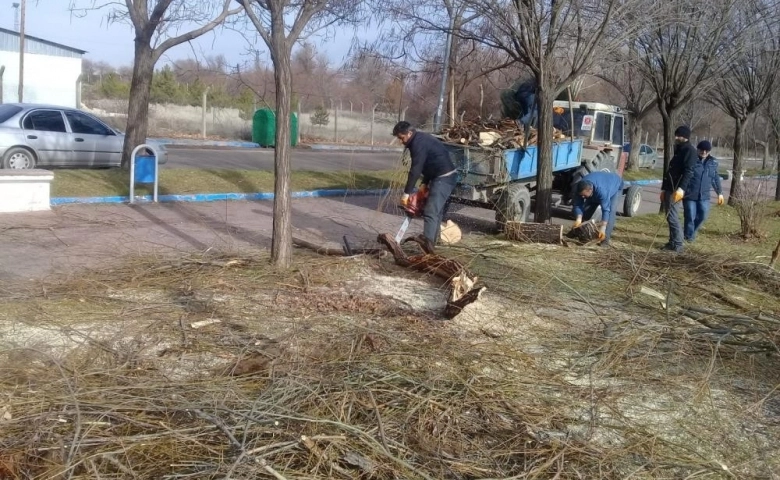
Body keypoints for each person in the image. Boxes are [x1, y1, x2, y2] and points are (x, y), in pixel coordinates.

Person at [393, 121, 458, 250]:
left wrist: (406, 194)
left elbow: (416, 169)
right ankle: (433, 244)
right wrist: (423, 184)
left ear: (409, 133)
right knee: (436, 213)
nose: (401, 141)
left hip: (444, 178)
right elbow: (428, 162)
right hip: (439, 177)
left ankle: (427, 248)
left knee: (430, 212)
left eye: (402, 138)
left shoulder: (418, 143)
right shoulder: (418, 140)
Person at [660, 126, 698, 252]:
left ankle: (678, 244)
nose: (676, 137)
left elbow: (688, 172)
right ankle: (672, 242)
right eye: (676, 135)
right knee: (669, 216)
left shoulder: (689, 151)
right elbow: (671, 170)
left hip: (677, 188)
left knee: (672, 216)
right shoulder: (679, 149)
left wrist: (681, 189)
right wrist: (664, 189)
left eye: (679, 135)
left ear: (685, 136)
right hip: (670, 187)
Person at [683, 140, 724, 242]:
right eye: (702, 150)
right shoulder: (691, 160)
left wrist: (720, 193)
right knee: (690, 217)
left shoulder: (713, 163)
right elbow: (684, 176)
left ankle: (690, 232)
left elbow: (715, 178)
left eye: (707, 150)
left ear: (709, 151)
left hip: (704, 196)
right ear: (698, 149)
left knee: (703, 216)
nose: (704, 152)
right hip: (690, 194)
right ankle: (689, 237)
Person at [571, 171, 624, 246]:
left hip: (615, 186)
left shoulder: (602, 191)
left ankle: (604, 240)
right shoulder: (580, 188)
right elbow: (577, 205)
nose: (582, 197)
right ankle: (578, 232)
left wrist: (603, 227)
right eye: (581, 195)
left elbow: (606, 210)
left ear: (590, 190)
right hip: (599, 184)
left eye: (584, 195)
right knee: (587, 209)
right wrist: (578, 218)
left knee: (611, 211)